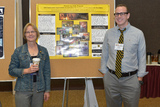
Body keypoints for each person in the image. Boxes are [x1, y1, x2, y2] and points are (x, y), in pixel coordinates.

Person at [99, 4, 148, 107]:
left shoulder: (138, 34)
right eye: (117, 14)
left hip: (130, 80)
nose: (119, 16)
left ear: (128, 15)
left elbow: (142, 57)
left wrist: (139, 78)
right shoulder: (109, 33)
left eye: (122, 13)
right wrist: (105, 74)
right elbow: (105, 54)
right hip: (111, 79)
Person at [8, 23, 51, 107]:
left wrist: (47, 90)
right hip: (23, 88)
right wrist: (26, 70)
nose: (30, 34)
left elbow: (47, 72)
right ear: (24, 35)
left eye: (32, 31)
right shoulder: (18, 51)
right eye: (27, 32)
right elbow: (11, 70)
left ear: (37, 33)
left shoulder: (44, 51)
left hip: (39, 89)